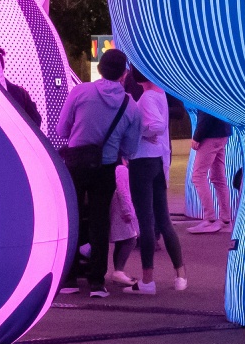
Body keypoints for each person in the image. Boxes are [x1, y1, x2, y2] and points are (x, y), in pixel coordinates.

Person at [57, 48, 143, 297]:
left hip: (75, 164)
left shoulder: (80, 91)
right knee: (99, 221)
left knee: (72, 217)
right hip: (105, 167)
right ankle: (97, 282)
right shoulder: (131, 106)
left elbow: (63, 130)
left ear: (100, 68)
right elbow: (130, 149)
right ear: (124, 74)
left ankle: (70, 278)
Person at [115, 69, 185, 293]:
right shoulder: (160, 94)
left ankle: (147, 280)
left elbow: (156, 126)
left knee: (146, 222)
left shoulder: (145, 98)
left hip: (142, 162)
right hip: (156, 159)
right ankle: (180, 274)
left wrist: (139, 131)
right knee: (163, 220)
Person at [189, 108, 235, 233]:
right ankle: (225, 220)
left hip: (210, 135)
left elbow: (206, 112)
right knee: (218, 177)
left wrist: (197, 136)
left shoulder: (202, 90)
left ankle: (210, 219)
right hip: (222, 132)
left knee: (198, 175)